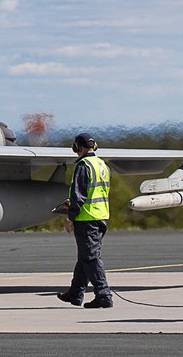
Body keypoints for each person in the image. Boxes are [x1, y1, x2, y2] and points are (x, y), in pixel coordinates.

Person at [57, 132, 113, 309]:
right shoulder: (101, 164)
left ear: (77, 147)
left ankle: (103, 295)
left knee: (90, 258)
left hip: (86, 218)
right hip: (101, 216)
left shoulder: (83, 165)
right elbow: (94, 192)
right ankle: (75, 294)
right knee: (85, 257)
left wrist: (70, 218)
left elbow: (79, 195)